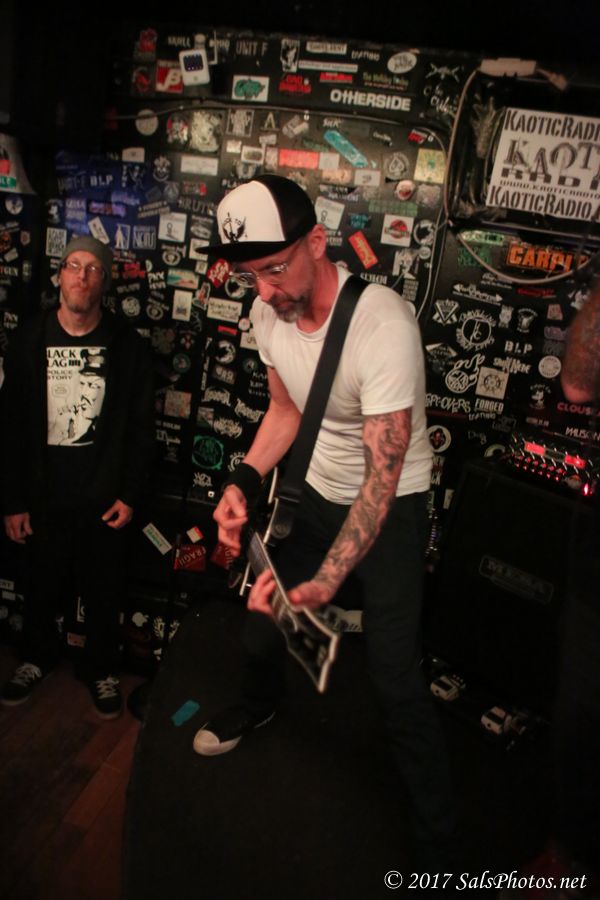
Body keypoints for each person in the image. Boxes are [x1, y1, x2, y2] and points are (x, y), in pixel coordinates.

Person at [194, 174, 459, 870]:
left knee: (395, 678)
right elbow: (286, 411)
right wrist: (242, 481)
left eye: (275, 269)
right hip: (314, 494)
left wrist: (330, 579)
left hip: (390, 507)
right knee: (261, 627)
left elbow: (382, 480)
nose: (265, 292)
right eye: (250, 276)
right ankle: (261, 705)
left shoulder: (382, 326)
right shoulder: (268, 313)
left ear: (316, 241)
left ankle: (440, 841)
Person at [0, 235, 155, 719]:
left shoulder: (127, 346)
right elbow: (9, 426)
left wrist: (130, 493)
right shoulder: (30, 339)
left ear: (104, 282)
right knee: (40, 583)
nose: (81, 276)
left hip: (102, 495)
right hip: (43, 493)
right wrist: (12, 500)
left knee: (105, 589)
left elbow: (141, 427)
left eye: (92, 269)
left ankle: (101, 668)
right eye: (73, 265)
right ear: (59, 274)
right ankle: (35, 658)